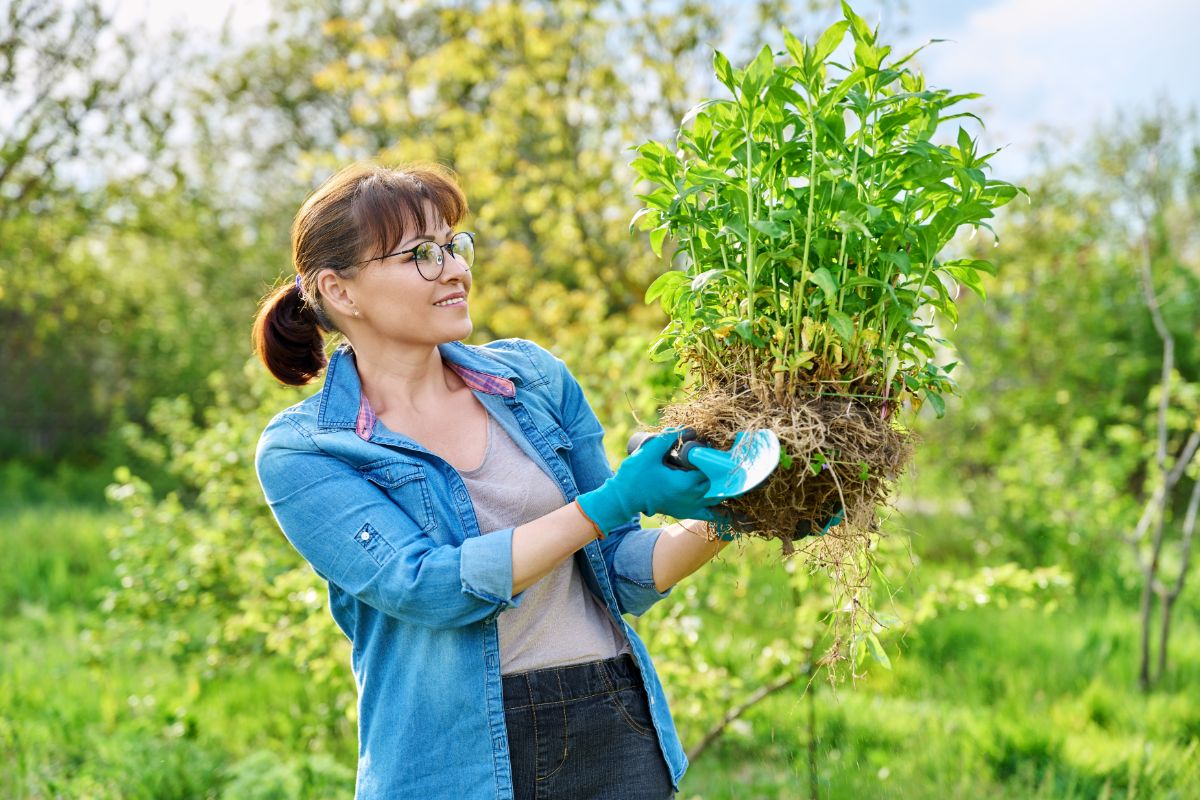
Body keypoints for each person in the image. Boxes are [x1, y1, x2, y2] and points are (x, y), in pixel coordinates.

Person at [252, 162, 738, 800]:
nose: (455, 269)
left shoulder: (532, 379)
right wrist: (615, 498)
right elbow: (429, 586)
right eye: (421, 254)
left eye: (454, 246)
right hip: (452, 759)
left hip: (613, 718)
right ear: (341, 292)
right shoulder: (308, 449)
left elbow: (617, 569)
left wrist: (734, 513)